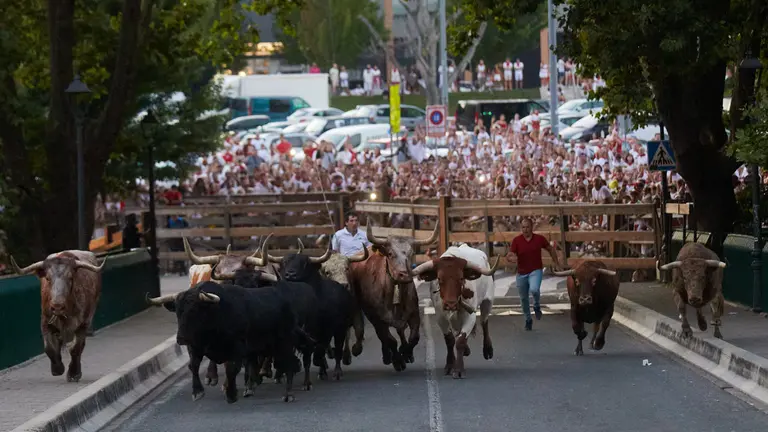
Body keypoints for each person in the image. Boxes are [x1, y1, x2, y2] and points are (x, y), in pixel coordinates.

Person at [506, 217, 562, 331]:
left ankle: (536, 305)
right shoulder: (517, 240)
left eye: (527, 227)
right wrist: (511, 258)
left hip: (535, 270)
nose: (525, 230)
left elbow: (550, 249)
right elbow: (510, 254)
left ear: (532, 227)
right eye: (523, 227)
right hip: (521, 273)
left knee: (535, 289)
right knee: (523, 299)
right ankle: (528, 319)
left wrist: (556, 263)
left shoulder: (539, 239)